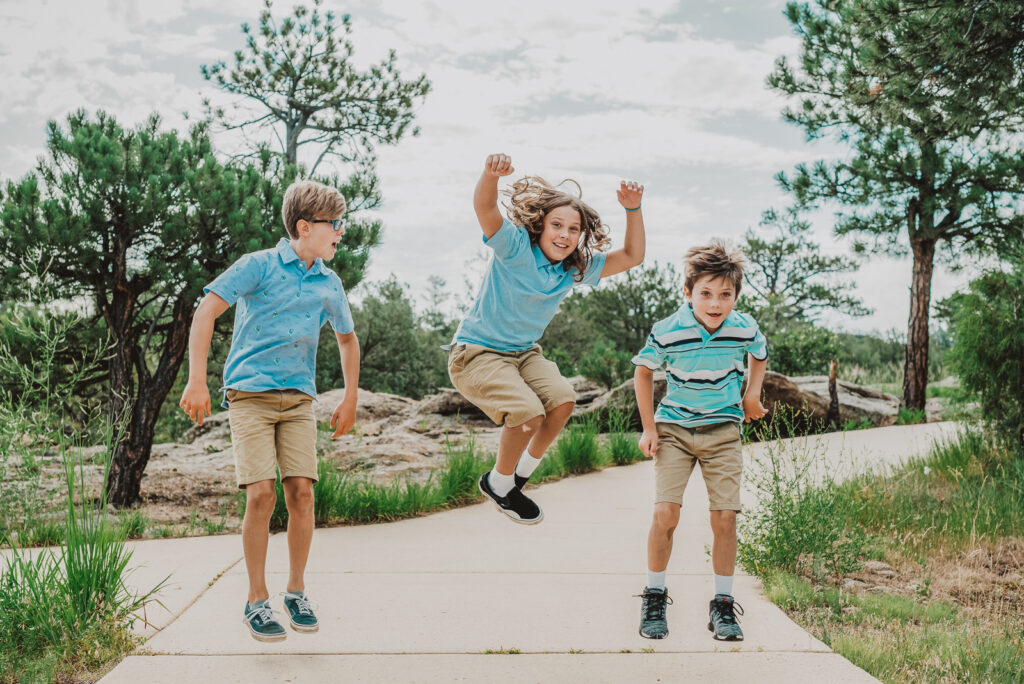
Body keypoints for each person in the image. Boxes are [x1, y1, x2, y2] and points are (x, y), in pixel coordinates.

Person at [179, 179, 360, 642]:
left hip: (299, 398)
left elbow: (346, 338)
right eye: (334, 224)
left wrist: (350, 395)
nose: (341, 231)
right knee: (261, 494)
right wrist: (196, 379)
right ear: (305, 226)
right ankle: (256, 601)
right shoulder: (258, 266)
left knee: (302, 492)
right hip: (250, 396)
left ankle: (296, 592)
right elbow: (206, 312)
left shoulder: (328, 281)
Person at [449, 152, 646, 524]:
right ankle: (499, 482)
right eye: (557, 225)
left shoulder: (572, 270)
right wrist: (490, 176)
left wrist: (633, 210)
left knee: (562, 402)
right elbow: (485, 207)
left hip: (523, 355)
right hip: (475, 354)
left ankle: (516, 478)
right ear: (540, 226)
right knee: (527, 413)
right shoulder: (514, 247)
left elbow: (633, 256)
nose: (565, 235)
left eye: (574, 230)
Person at [631, 239, 768, 642]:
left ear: (736, 296)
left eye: (725, 294)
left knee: (724, 517)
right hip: (674, 430)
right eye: (705, 293)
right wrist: (649, 428)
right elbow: (643, 372)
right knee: (666, 515)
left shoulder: (744, 327)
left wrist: (752, 395)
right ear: (688, 293)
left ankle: (722, 607)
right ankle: (654, 597)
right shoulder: (667, 331)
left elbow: (759, 354)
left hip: (723, 431)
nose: (715, 303)